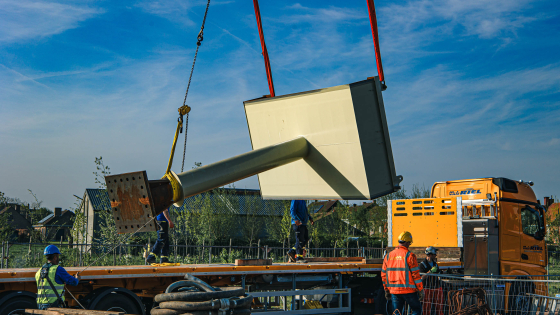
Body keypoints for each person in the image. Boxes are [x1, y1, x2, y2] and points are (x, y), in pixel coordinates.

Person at [381, 231, 424, 315]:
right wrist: (420, 289)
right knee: (416, 310)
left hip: (394, 291)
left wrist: (386, 290)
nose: (409, 245)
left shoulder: (388, 256)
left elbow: (383, 275)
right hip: (409, 291)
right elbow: (416, 275)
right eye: (409, 243)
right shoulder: (410, 255)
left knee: (397, 312)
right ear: (407, 242)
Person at [35, 245, 80, 310]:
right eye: (58, 256)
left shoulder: (39, 272)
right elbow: (74, 282)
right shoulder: (58, 269)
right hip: (53, 305)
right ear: (55, 257)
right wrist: (77, 278)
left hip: (40, 305)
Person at [419, 246, 443, 315]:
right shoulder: (422, 265)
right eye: (434, 254)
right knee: (426, 308)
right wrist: (430, 272)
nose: (435, 255)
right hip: (427, 288)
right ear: (430, 254)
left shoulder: (435, 264)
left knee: (439, 307)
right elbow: (421, 278)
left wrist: (444, 272)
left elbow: (438, 273)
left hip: (436, 287)